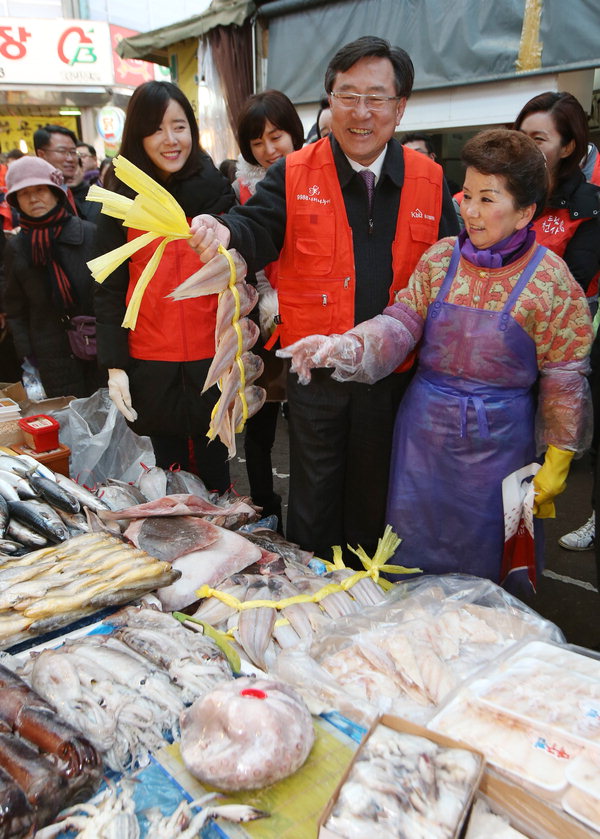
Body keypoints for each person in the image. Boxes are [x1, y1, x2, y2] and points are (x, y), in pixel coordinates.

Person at [279, 128, 593, 593]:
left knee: (487, 567)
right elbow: (400, 324)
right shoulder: (440, 259)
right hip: (421, 441)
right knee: (410, 562)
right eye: (467, 194)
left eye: (489, 200)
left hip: (499, 450)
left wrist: (559, 457)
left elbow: (564, 377)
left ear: (526, 211)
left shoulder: (551, 281)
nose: (469, 210)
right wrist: (346, 345)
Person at [189, 36, 459, 560]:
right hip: (317, 376)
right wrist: (223, 230)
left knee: (377, 501)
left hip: (394, 380)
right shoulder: (294, 173)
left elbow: (450, 275)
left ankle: (366, 605)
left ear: (400, 106)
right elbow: (255, 225)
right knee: (313, 502)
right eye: (347, 94)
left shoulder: (430, 181)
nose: (361, 112)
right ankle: (311, 607)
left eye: (377, 97)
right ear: (329, 100)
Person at [94, 80, 236, 488]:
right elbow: (109, 288)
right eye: (157, 128)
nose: (170, 140)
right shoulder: (122, 198)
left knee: (215, 473)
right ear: (139, 135)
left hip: (212, 358)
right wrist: (115, 366)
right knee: (168, 475)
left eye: (179, 126)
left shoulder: (217, 192)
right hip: (150, 360)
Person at [514, 92, 600, 553]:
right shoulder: (509, 193)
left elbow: (575, 281)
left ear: (567, 147)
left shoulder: (589, 204)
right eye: (520, 135)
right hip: (499, 360)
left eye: (538, 138)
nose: (525, 146)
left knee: (536, 477)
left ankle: (523, 566)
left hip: (554, 359)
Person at [234, 89, 304, 527]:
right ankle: (265, 507)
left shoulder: (321, 180)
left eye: (276, 136)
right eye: (257, 142)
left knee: (310, 426)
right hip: (263, 320)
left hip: (315, 319)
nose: (268, 150)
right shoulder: (243, 190)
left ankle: (309, 511)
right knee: (259, 423)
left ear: (294, 133)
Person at [3, 156, 102, 397]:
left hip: (97, 343)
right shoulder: (17, 247)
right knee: (66, 422)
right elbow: (15, 308)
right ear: (16, 201)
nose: (34, 198)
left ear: (56, 192)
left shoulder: (89, 234)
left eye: (40, 190)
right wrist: (27, 356)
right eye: (24, 193)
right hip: (48, 353)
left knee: (106, 418)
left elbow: (110, 292)